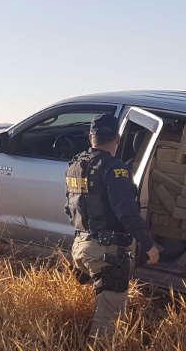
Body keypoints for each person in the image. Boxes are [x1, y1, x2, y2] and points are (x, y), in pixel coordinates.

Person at [65, 113, 159, 337]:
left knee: (99, 308)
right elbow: (127, 212)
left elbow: (69, 209)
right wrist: (148, 245)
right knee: (109, 325)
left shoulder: (74, 166)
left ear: (91, 137)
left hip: (80, 248)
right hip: (105, 253)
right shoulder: (115, 169)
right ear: (117, 139)